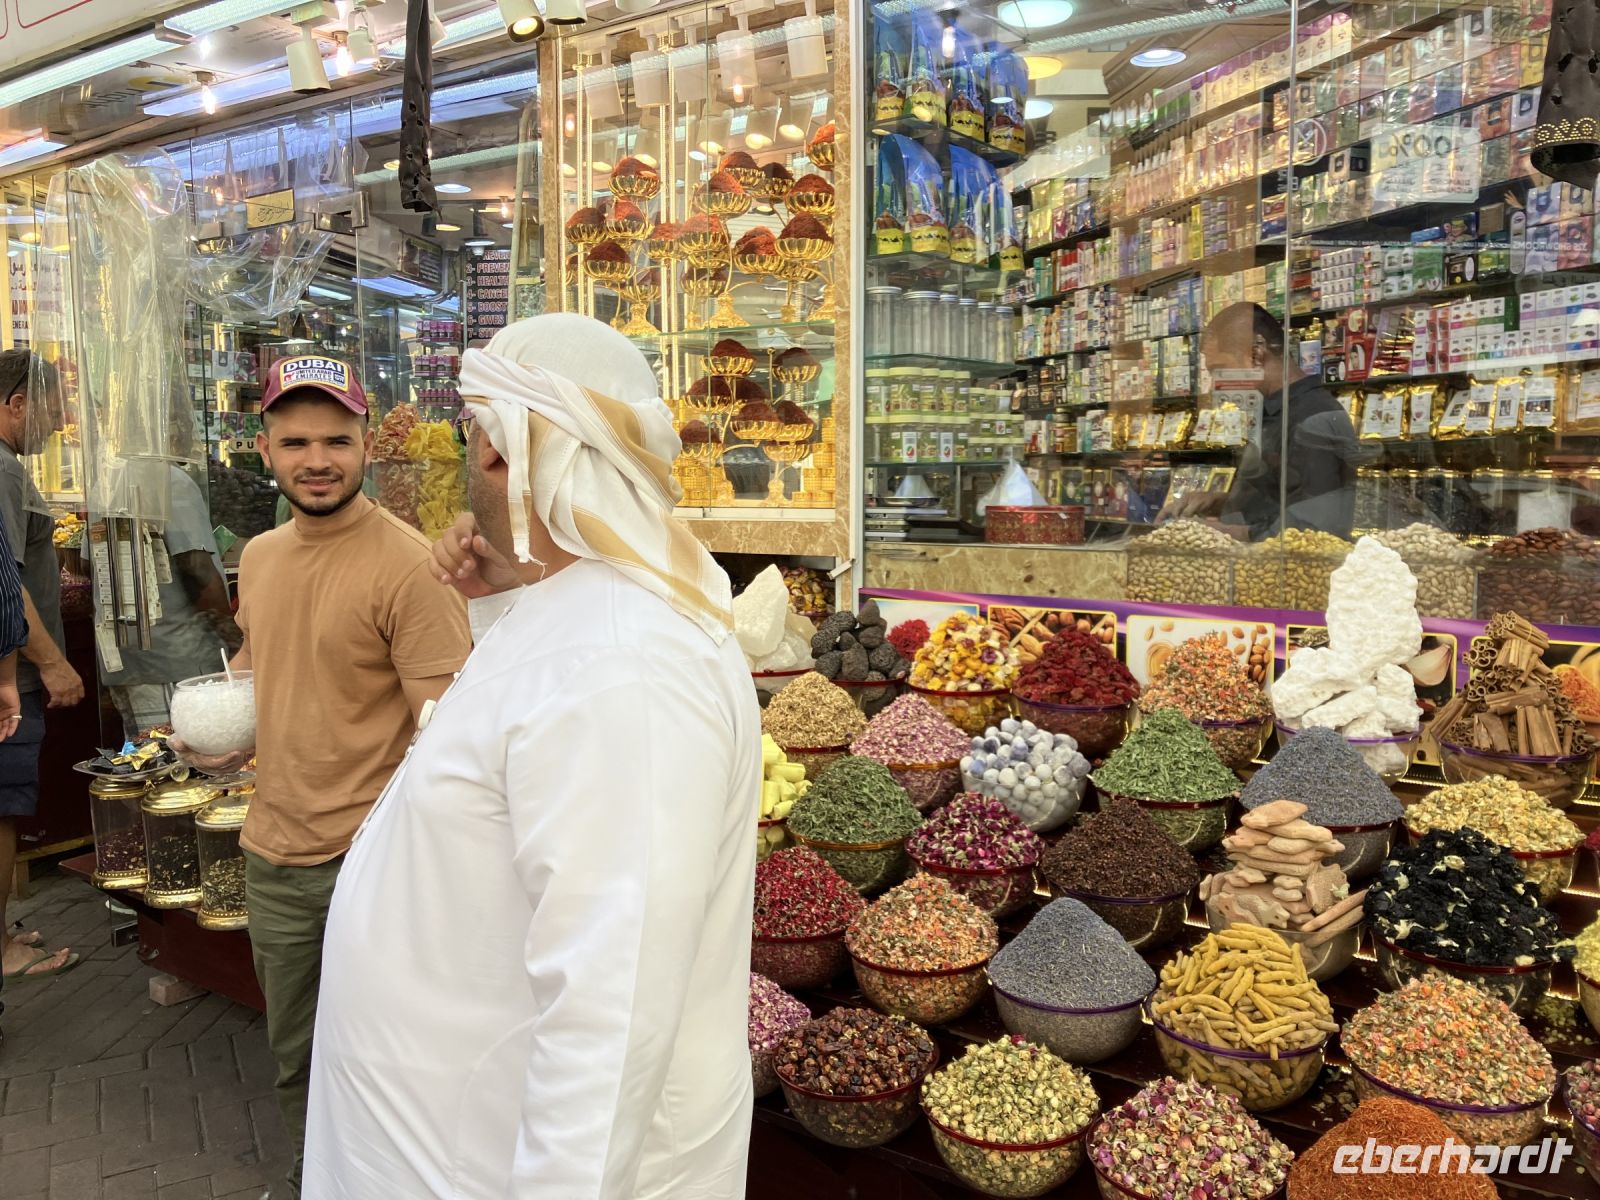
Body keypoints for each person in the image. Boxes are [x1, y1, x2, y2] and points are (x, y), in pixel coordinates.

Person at [303, 315, 758, 1199]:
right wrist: (503, 594)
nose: (468, 466)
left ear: (508, 457)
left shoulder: (621, 667)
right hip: (455, 1138)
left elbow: (610, 1012)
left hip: (496, 1159)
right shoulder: (581, 622)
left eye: (474, 439)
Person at [172, 354, 471, 1200]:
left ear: (367, 444)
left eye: (336, 439)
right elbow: (260, 662)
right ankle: (326, 1179)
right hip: (273, 850)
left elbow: (446, 736)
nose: (317, 459)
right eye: (295, 440)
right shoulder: (261, 558)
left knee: (391, 1058)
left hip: (372, 861)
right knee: (297, 1051)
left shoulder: (411, 567)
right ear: (262, 448)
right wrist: (223, 724)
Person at [0, 349, 82, 985]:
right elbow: (4, 581)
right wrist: (51, 664)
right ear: (17, 405)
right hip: (12, 679)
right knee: (2, 814)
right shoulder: (0, 469)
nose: (60, 423)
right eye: (53, 409)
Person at [1160, 302, 1361, 540]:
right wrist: (1218, 503)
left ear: (1257, 354)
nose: (1215, 385)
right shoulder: (1275, 412)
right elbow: (1277, 504)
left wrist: (1223, 533)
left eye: (1219, 369)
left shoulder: (1313, 419)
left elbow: (1313, 535)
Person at [100, 464, 240, 738]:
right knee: (182, 767)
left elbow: (84, 562)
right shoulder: (169, 481)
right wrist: (233, 641)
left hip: (127, 662)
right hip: (177, 664)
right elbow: (197, 568)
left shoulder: (106, 481)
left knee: (148, 765)